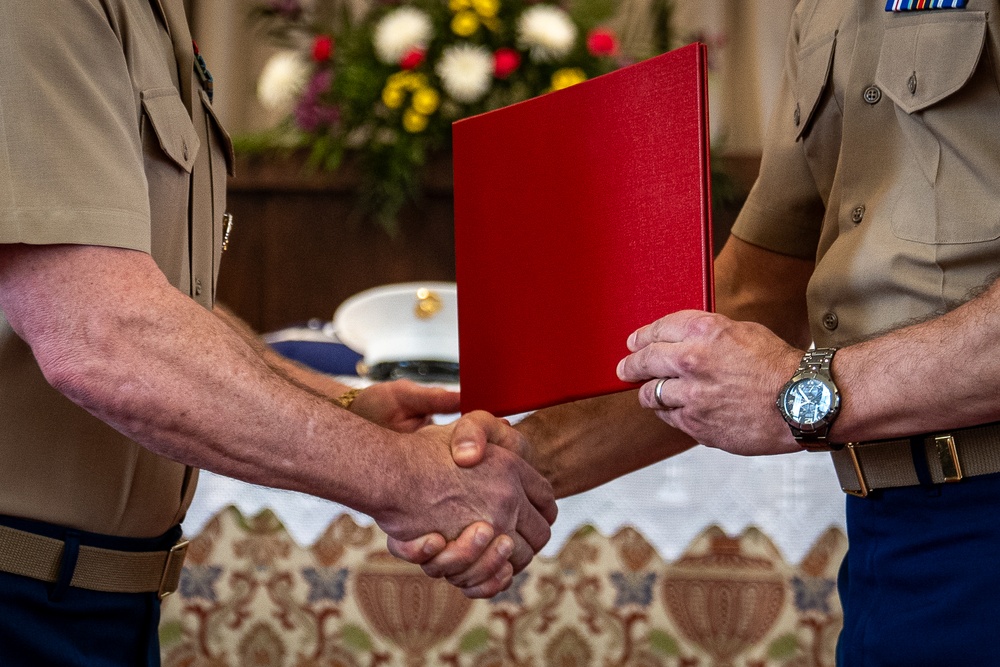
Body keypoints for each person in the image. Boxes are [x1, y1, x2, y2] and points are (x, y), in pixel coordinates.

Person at [397, 1, 1000, 663]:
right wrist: (521, 460)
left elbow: (779, 376)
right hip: (893, 536)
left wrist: (805, 393)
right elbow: (754, 294)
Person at [0, 2, 554, 664]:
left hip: (95, 603)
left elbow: (167, 303)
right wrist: (403, 476)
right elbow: (102, 332)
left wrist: (344, 403)